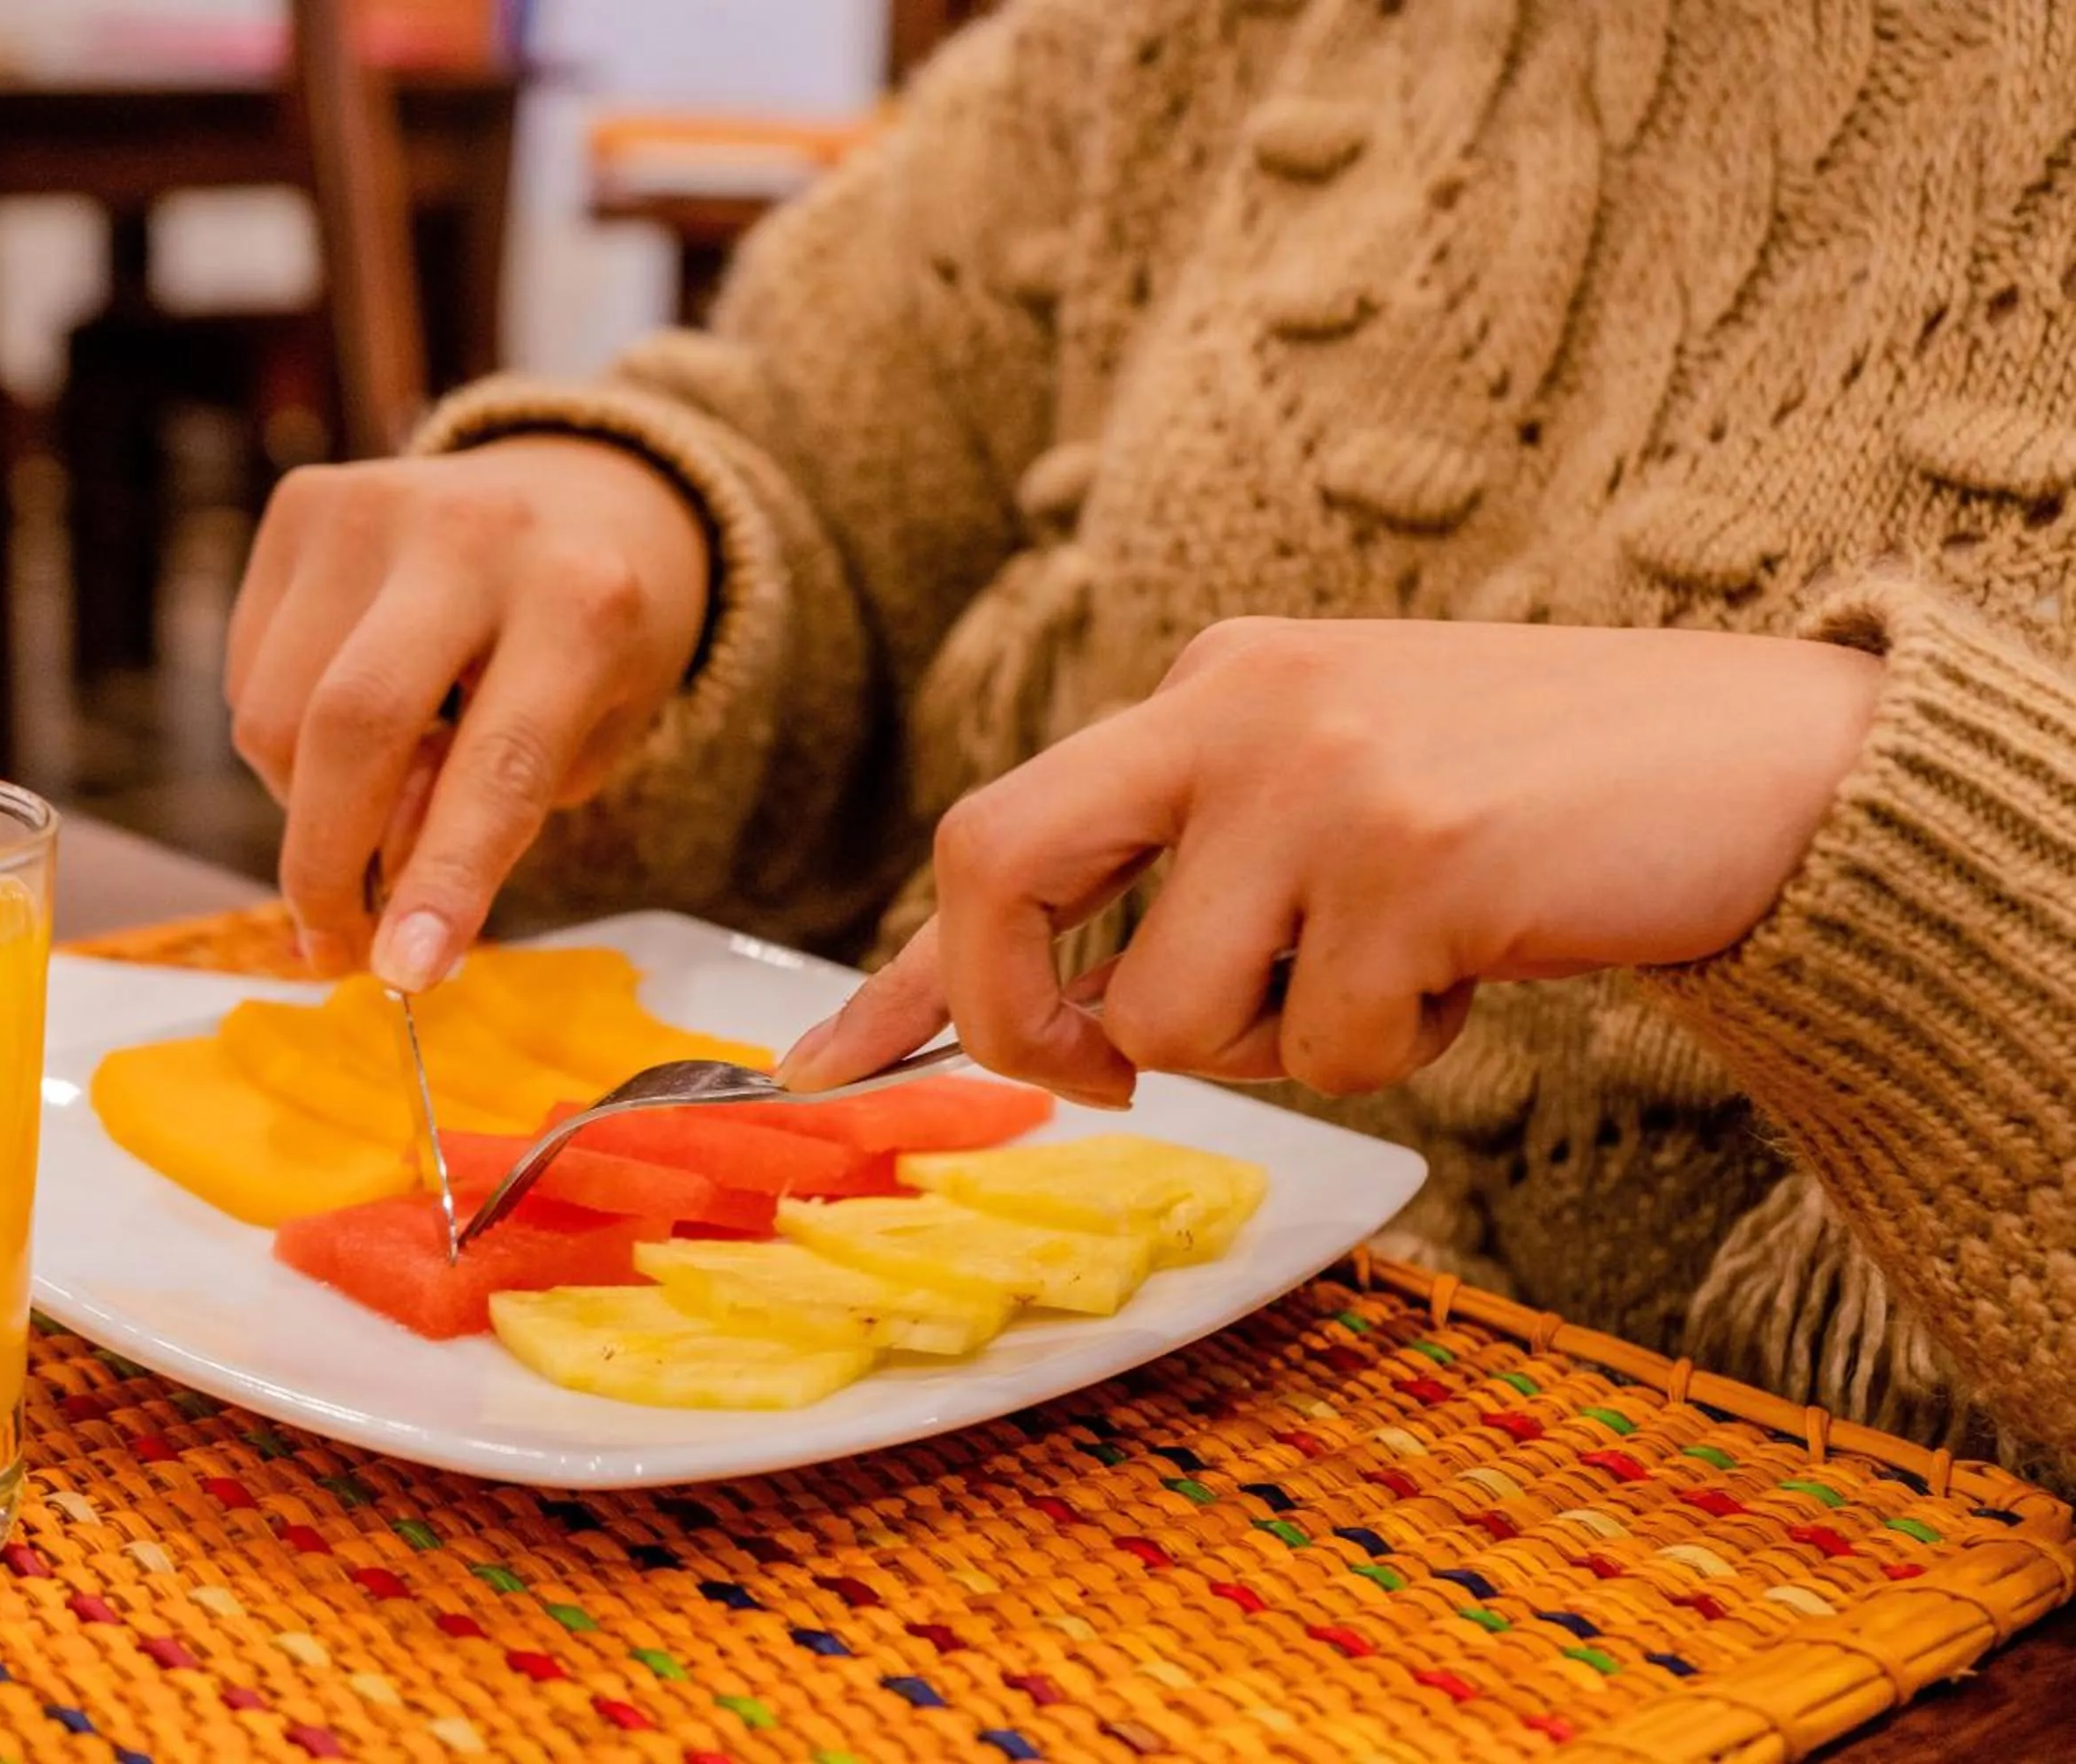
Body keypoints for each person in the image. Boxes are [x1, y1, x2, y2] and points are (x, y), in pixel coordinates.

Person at [225, 0, 2076, 1487]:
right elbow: (830, 444)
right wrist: (632, 521)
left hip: (1742, 1576)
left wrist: (1868, 824)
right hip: (950, 1497)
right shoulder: (1180, 36)